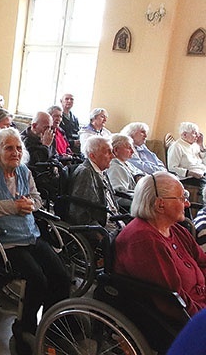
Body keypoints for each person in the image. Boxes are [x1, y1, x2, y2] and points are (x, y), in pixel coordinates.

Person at [0, 128, 70, 354]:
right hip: (6, 241)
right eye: (9, 148)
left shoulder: (24, 171)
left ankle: (52, 327)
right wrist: (12, 206)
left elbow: (36, 198)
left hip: (30, 235)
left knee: (62, 277)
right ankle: (24, 329)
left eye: (19, 148)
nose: (15, 153)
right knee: (37, 279)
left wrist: (30, 205)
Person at [115, 171, 206, 322]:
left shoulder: (174, 228)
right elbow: (173, 302)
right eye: (182, 198)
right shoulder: (144, 240)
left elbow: (202, 261)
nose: (187, 203)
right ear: (160, 204)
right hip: (188, 317)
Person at [69, 135, 120, 227]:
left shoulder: (101, 170)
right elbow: (79, 212)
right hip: (103, 226)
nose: (113, 156)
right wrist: (98, 233)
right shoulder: (85, 173)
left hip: (115, 219)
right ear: (92, 156)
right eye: (108, 152)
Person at [107, 134, 144, 211]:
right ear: (116, 150)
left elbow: (140, 175)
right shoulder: (115, 167)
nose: (133, 151)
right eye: (129, 148)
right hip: (132, 205)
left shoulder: (127, 163)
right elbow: (119, 194)